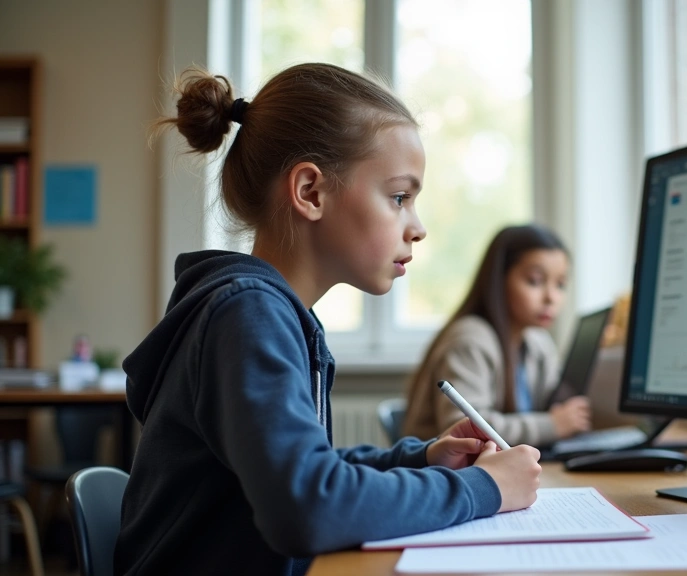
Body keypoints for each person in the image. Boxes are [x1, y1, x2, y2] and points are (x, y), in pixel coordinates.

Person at [114, 64, 542, 576]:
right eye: (400, 197)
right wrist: (484, 489)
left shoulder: (276, 313)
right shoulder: (247, 315)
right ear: (311, 192)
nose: (418, 228)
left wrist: (421, 459)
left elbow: (314, 473)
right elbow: (309, 508)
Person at [403, 225, 591, 447]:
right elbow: (464, 428)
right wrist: (552, 425)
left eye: (560, 284)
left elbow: (553, 404)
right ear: (498, 281)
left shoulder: (537, 342)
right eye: (535, 281)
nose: (551, 297)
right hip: (441, 475)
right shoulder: (470, 338)